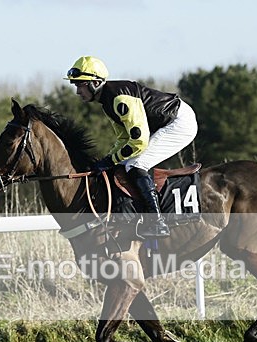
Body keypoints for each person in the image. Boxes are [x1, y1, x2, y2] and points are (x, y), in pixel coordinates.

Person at [65, 56, 198, 238]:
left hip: (179, 122)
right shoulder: (107, 102)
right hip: (165, 123)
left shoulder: (119, 98)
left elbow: (138, 141)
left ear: (95, 82)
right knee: (125, 163)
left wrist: (111, 160)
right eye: (76, 85)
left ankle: (157, 222)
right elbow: (123, 139)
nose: (78, 91)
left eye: (80, 85)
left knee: (135, 165)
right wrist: (108, 160)